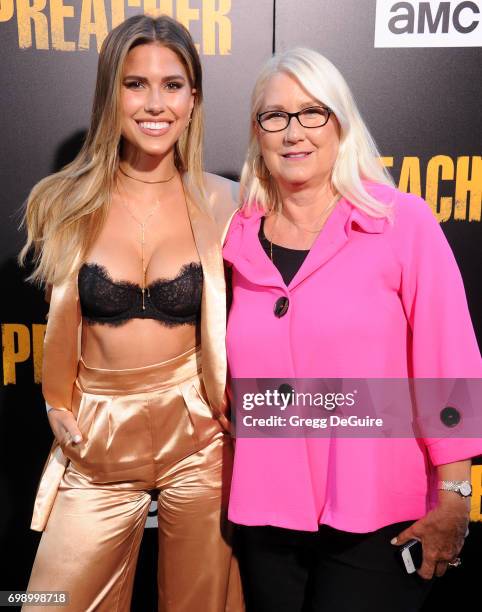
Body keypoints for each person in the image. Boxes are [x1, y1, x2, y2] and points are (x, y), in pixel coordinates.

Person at [223, 47, 482, 612]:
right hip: (267, 520)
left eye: (312, 112)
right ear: (257, 131)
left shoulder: (400, 222)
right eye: (275, 116)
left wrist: (457, 493)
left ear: (341, 122)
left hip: (381, 516)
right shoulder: (234, 237)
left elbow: (449, 359)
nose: (294, 132)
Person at [20, 14, 243, 612]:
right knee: (48, 601)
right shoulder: (59, 205)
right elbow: (59, 329)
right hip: (99, 435)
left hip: (201, 434)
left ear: (193, 99)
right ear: (110, 94)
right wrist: (55, 402)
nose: (155, 103)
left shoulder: (228, 202)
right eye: (135, 83)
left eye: (172, 85)